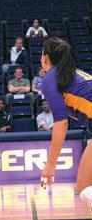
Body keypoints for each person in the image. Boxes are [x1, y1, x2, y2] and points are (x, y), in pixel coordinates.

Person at [39, 37, 92, 209]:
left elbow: (61, 123)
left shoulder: (50, 79)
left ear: (45, 58)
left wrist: (50, 164)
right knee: (84, 187)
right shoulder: (72, 73)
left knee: (84, 188)